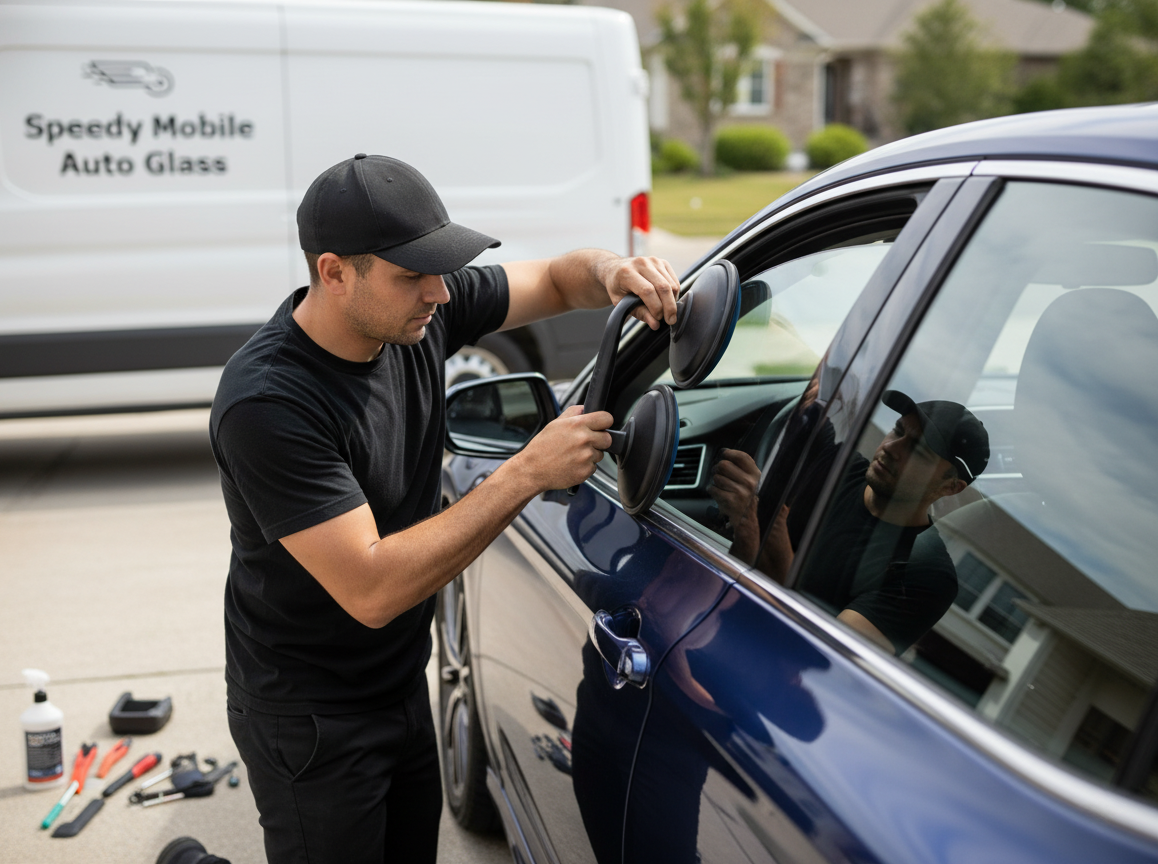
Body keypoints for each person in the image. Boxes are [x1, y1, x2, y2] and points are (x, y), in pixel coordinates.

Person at [209, 153, 682, 864]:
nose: (438, 292)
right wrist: (525, 472)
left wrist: (615, 271)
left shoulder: (414, 311)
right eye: (412, 274)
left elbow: (557, 278)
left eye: (441, 266)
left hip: (399, 682)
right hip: (310, 715)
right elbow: (371, 588)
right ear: (334, 272)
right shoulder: (270, 403)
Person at [708, 389, 989, 655]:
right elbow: (821, 389)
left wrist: (754, 521)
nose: (891, 447)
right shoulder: (834, 463)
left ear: (950, 487)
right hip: (709, 609)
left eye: (917, 450)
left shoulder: (925, 576)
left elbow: (818, 650)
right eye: (898, 430)